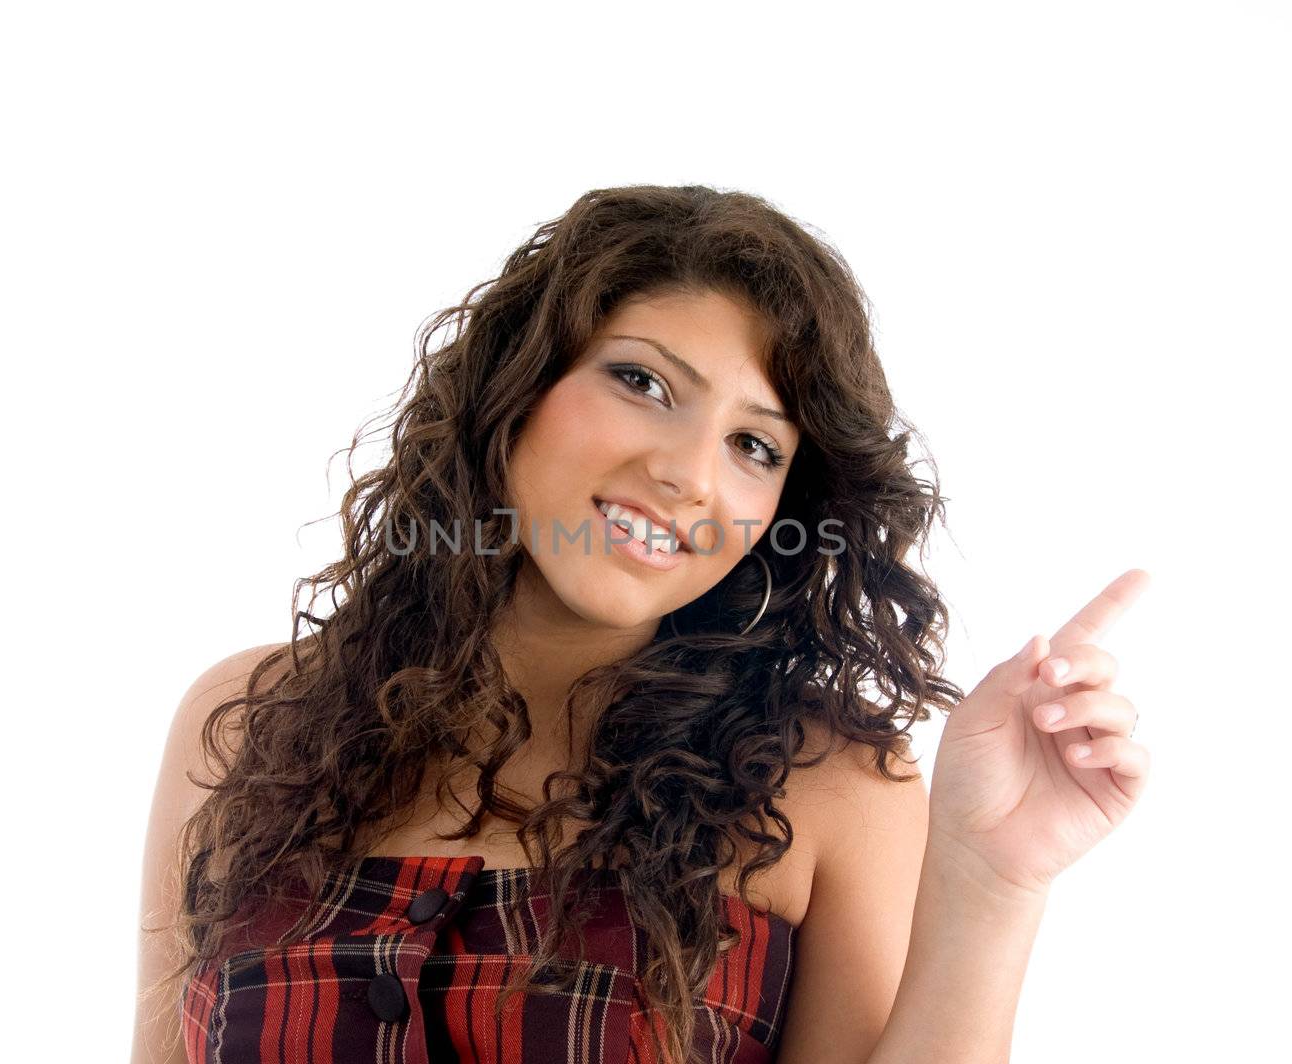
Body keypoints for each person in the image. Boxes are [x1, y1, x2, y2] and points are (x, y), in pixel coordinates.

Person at [131, 184, 1151, 1064]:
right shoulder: (251, 718)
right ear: (516, 385)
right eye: (643, 381)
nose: (687, 473)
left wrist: (991, 880)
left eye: (754, 443)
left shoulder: (831, 780)